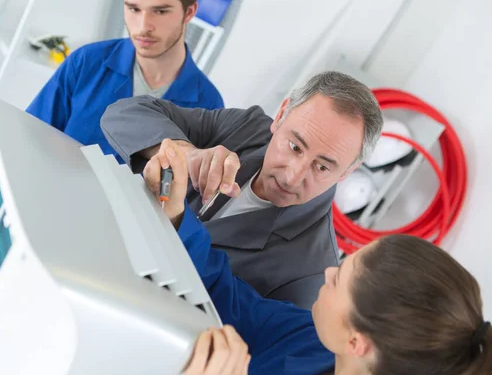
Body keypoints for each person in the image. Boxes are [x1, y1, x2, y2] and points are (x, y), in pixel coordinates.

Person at [147, 139, 492, 375]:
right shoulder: (314, 342)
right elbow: (232, 301)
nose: (328, 272)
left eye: (339, 279)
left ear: (357, 342)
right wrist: (176, 213)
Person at [100, 71, 383, 308]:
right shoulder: (249, 129)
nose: (293, 177)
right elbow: (124, 113)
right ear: (281, 115)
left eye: (322, 167)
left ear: (347, 172)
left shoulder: (310, 275)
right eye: (295, 147)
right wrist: (186, 155)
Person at [26, 0, 224, 160]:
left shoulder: (209, 105)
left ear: (189, 12)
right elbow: (28, 136)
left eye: (160, 11)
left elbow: (194, 199)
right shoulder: (86, 62)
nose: (143, 26)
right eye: (134, 9)